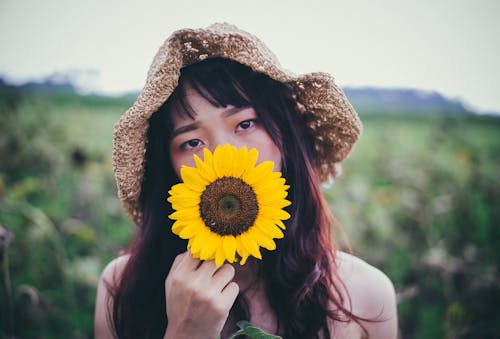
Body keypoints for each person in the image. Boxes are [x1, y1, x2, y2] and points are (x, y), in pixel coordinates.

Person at [94, 23, 398, 339]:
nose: (225, 155)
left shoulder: (366, 297)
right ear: (168, 167)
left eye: (246, 123)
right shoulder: (122, 289)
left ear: (285, 132)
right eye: (192, 142)